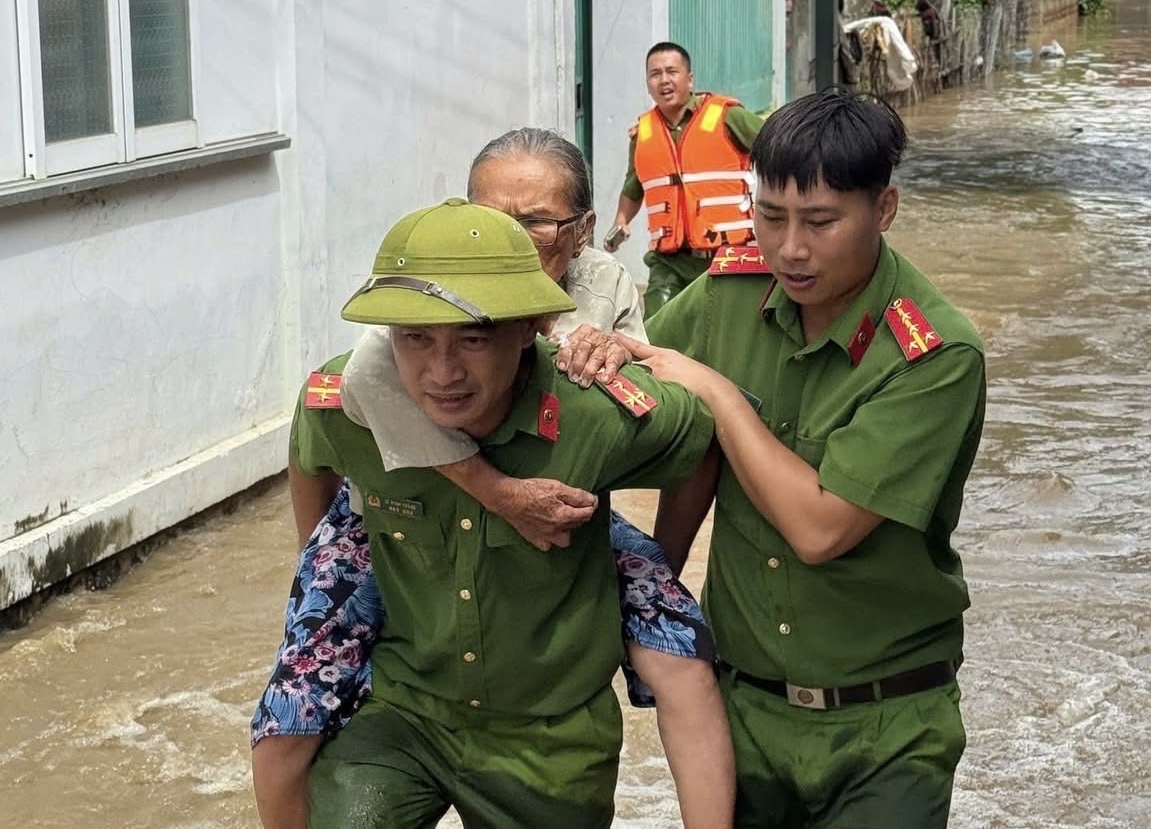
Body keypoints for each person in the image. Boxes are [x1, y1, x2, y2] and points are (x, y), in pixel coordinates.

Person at [251, 131, 735, 829]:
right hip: (394, 513)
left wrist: (667, 548)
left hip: (565, 498)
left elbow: (693, 433)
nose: (442, 367)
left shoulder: (600, 319)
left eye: (535, 222)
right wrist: (318, 549)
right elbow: (329, 418)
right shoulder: (397, 326)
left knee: (680, 655)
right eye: (494, 215)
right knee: (285, 720)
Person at [595, 87, 986, 827]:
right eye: (769, 216)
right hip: (742, 711)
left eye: (820, 221)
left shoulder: (933, 353)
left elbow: (819, 529)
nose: (789, 248)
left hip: (887, 727)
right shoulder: (730, 292)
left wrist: (720, 395)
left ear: (884, 208)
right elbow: (641, 384)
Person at [603, 42, 764, 317]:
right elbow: (634, 185)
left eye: (671, 72)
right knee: (657, 329)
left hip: (726, 255)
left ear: (690, 79)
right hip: (669, 260)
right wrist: (621, 220)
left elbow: (778, 143)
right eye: (655, 74)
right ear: (647, 83)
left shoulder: (727, 116)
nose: (664, 80)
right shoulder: (643, 132)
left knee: (728, 332)